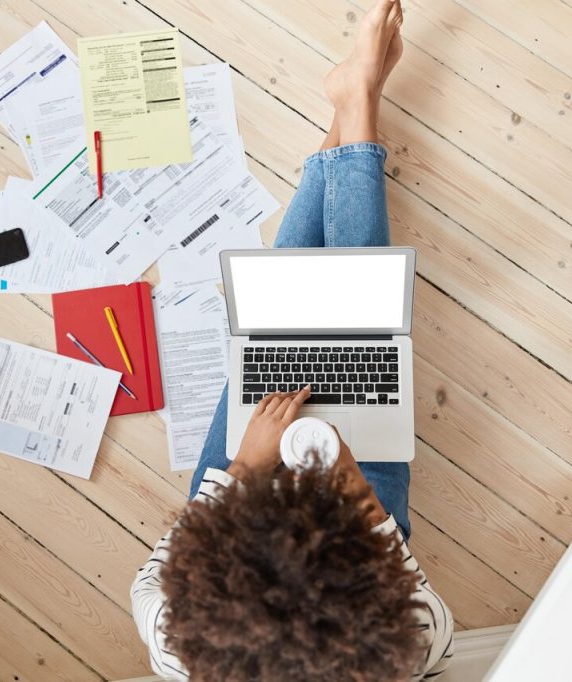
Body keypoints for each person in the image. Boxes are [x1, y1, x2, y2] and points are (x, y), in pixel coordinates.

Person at [131, 1, 453, 679]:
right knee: (359, 324)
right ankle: (355, 102)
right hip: (361, 540)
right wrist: (354, 492)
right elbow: (411, 594)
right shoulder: (404, 642)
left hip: (233, 511)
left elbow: (161, 572)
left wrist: (245, 467)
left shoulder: (176, 635)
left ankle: (355, 104)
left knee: (277, 322)